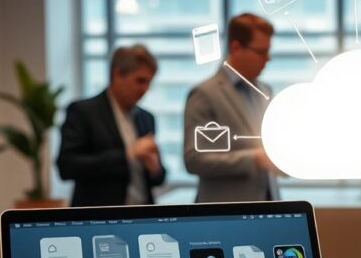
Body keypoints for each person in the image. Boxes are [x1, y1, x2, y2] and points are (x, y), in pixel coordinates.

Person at [184, 13, 281, 203]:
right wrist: (253, 158)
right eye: (261, 52)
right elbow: (194, 159)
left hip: (268, 208)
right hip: (225, 214)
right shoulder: (204, 94)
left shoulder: (265, 91)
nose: (268, 59)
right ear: (236, 47)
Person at [56, 44, 166, 207]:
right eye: (140, 80)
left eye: (149, 83)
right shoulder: (84, 111)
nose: (145, 89)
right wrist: (127, 154)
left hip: (142, 218)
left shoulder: (146, 118)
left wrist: (155, 168)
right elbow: (67, 166)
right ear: (117, 74)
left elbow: (158, 178)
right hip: (99, 219)